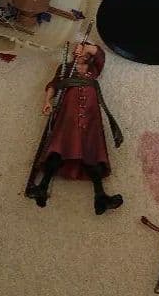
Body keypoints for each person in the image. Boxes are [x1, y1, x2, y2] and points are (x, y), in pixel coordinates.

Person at [26, 43, 124, 214]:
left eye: (85, 53)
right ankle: (42, 186)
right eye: (78, 51)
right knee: (59, 147)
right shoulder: (66, 68)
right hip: (68, 115)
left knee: (92, 152)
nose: (80, 54)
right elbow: (54, 84)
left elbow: (100, 55)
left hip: (91, 118)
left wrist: (86, 47)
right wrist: (47, 101)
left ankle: (100, 197)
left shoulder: (94, 69)